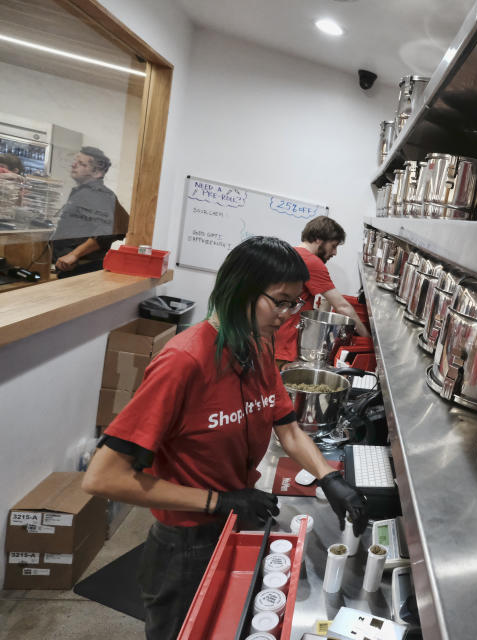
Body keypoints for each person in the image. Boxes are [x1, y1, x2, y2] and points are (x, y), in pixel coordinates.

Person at [82, 236, 368, 640]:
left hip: (232, 519)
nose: (288, 315)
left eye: (295, 302)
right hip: (185, 542)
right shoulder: (184, 362)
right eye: (280, 301)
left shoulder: (258, 345)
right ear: (240, 291)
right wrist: (220, 499)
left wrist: (329, 478)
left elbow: (285, 425)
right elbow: (102, 477)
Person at [274, 216, 370, 364]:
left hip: (273, 337)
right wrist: (367, 339)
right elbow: (343, 307)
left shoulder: (291, 253)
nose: (335, 253)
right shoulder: (312, 262)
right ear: (319, 239)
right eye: (333, 246)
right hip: (284, 343)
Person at [49, 146, 128, 278]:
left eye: (82, 164)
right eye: (75, 161)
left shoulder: (99, 194)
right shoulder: (83, 192)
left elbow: (105, 233)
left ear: (97, 173)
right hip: (70, 266)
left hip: (82, 268)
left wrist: (74, 254)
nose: (74, 165)